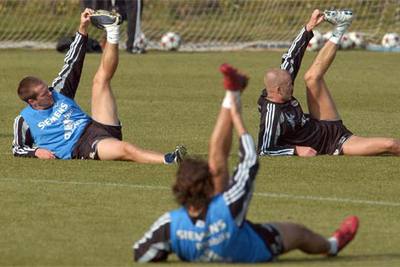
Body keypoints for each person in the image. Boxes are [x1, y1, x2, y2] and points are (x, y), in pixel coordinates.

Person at [133, 64, 359, 263]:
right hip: (255, 246)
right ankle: (332, 245)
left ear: (179, 190)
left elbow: (141, 254)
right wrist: (239, 119)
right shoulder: (229, 206)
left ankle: (231, 93)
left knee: (217, 161)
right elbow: (250, 159)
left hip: (205, 239)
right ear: (210, 188)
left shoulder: (171, 225)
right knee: (298, 233)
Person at [12, 9, 185, 164]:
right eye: (43, 94)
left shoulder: (57, 91)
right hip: (83, 146)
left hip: (97, 126)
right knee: (126, 150)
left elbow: (73, 63)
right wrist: (36, 151)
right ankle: (169, 159)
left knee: (100, 80)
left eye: (46, 88)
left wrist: (82, 29)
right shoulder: (24, 120)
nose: (49, 93)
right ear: (32, 102)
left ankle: (112, 31)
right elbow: (17, 148)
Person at [257, 9, 400, 157]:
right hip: (336, 142)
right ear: (278, 90)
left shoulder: (281, 80)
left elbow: (291, 57)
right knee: (390, 145)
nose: (292, 86)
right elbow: (264, 149)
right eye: (289, 86)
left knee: (311, 77)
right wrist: (296, 150)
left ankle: (341, 27)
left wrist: (309, 26)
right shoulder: (272, 114)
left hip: (323, 120)